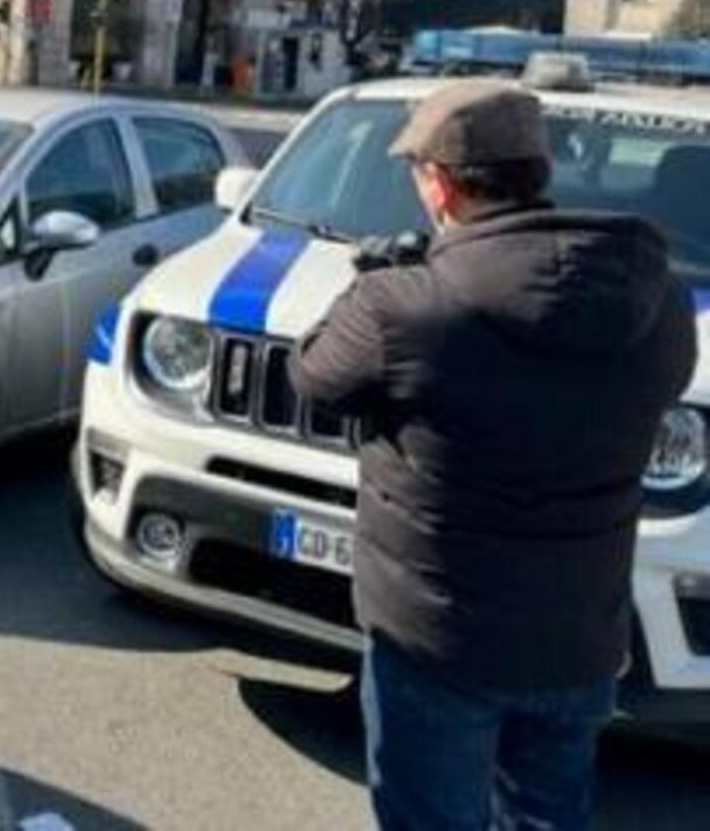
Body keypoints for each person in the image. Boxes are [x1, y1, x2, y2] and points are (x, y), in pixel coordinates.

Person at [290, 80, 697, 831]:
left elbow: (314, 376)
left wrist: (372, 283)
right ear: (537, 172)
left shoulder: (405, 305)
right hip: (578, 633)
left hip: (438, 638)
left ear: (440, 185)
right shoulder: (657, 301)